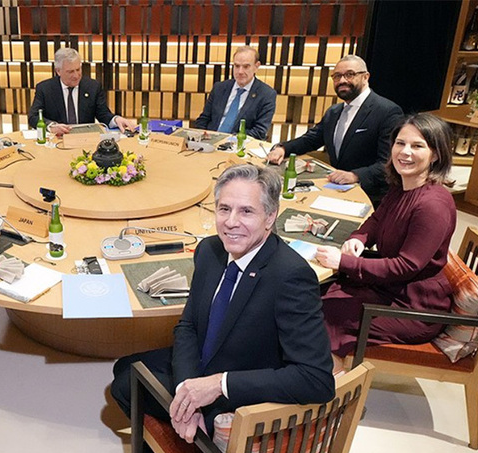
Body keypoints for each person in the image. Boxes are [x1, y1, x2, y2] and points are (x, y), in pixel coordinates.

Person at [111, 164, 334, 442]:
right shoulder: (209, 250)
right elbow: (188, 326)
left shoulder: (291, 276)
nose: (231, 222)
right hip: (206, 362)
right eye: (224, 209)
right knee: (125, 367)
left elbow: (316, 379)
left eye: (246, 211)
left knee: (125, 385)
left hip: (242, 395)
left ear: (270, 216)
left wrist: (219, 384)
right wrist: (187, 394)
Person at [314, 113, 456, 374]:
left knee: (323, 314)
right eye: (400, 143)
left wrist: (344, 262)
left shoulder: (432, 205)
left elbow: (406, 266)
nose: (405, 152)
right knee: (312, 297)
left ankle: (332, 386)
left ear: (436, 154)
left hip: (414, 307)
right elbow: (377, 220)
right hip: (390, 288)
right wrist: (358, 238)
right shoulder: (403, 187)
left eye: (417, 146)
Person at [267, 55, 403, 206]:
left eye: (350, 74)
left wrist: (355, 175)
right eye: (337, 76)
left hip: (369, 196)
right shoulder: (334, 111)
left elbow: (389, 162)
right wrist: (283, 148)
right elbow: (311, 139)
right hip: (334, 189)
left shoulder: (387, 111)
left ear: (365, 77)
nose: (342, 80)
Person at [27, 47, 135, 135]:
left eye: (78, 69)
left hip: (85, 141)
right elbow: (33, 117)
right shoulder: (45, 89)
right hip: (57, 141)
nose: (76, 75)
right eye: (70, 72)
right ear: (58, 71)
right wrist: (51, 126)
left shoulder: (93, 87)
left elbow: (103, 115)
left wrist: (116, 119)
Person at [193, 46, 276, 140]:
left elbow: (259, 131)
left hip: (239, 144)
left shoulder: (267, 94)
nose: (240, 71)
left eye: (246, 66)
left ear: (256, 66)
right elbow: (203, 119)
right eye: (236, 66)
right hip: (209, 141)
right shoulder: (219, 88)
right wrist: (201, 137)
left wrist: (230, 140)